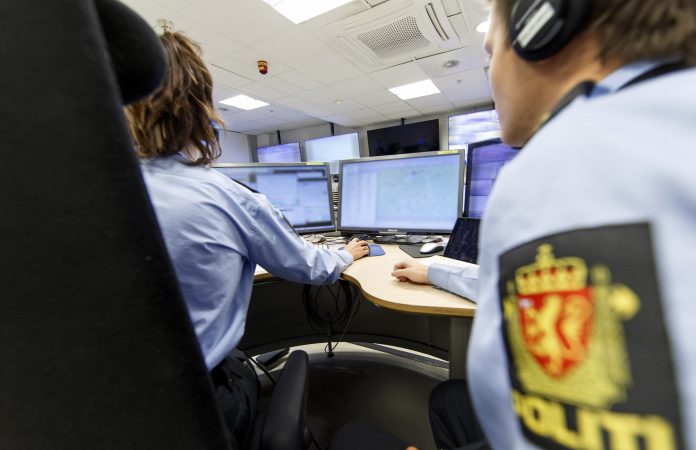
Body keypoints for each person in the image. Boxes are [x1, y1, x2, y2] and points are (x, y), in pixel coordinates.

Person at [388, 0, 696, 449]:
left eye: (491, 53)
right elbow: (530, 289)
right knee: (450, 400)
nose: (492, 78)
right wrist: (435, 270)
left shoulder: (574, 156)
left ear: (542, 25)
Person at [125, 31, 369, 448]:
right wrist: (345, 254)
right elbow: (311, 268)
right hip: (202, 405)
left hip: (115, 402)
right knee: (239, 364)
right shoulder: (227, 196)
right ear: (200, 107)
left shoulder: (97, 198)